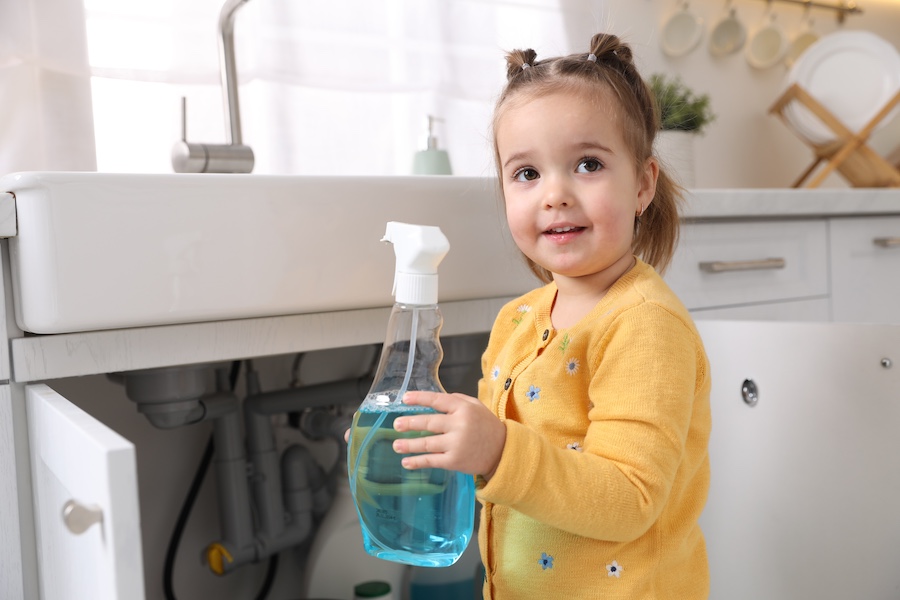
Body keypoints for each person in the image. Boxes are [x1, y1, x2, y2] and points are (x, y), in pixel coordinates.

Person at [391, 32, 712, 599]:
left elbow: (630, 495)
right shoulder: (517, 320)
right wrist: (427, 447)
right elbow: (510, 473)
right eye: (527, 174)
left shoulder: (643, 324)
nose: (554, 194)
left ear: (642, 184)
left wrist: (497, 450)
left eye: (587, 164)